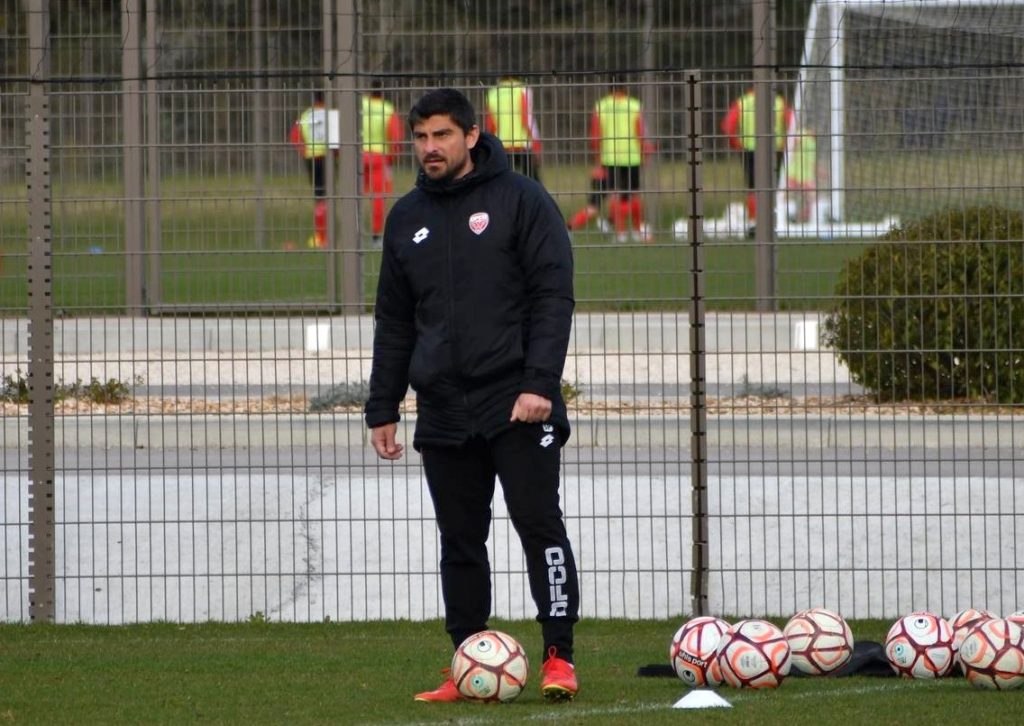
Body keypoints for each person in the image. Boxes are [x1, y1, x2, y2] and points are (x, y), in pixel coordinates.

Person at [365, 87, 580, 704]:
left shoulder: (522, 201)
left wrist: (540, 384)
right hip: (443, 409)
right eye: (421, 138)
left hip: (517, 402)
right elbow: (396, 321)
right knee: (460, 542)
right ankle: (466, 661)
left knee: (540, 527)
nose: (430, 148)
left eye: (442, 136)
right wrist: (383, 405)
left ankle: (559, 656)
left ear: (472, 136)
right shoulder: (406, 217)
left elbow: (552, 298)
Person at [570, 76, 653, 243]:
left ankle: (620, 232)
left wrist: (597, 159)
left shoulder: (602, 106)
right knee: (633, 194)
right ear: (625, 87)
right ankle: (636, 230)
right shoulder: (634, 105)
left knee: (613, 195)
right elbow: (640, 132)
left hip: (609, 157)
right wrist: (645, 151)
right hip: (632, 156)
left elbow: (595, 135)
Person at [720, 88, 795, 231]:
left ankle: (755, 222)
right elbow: (792, 123)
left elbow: (727, 127)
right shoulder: (778, 102)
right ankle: (772, 219)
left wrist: (737, 145)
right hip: (774, 149)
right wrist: (784, 143)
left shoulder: (742, 102)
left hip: (750, 149)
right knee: (772, 185)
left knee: (754, 188)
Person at [289, 90, 335, 248]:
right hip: (327, 157)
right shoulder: (331, 115)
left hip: (311, 157)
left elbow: (295, 137)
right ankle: (327, 235)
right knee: (329, 196)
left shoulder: (306, 115)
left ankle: (320, 235)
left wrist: (305, 151)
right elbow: (336, 143)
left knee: (319, 196)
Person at [361, 81, 405, 245]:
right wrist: (392, 158)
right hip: (379, 156)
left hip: (358, 154)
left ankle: (353, 232)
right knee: (379, 197)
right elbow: (395, 136)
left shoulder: (361, 104)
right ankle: (376, 236)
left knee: (353, 196)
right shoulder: (387, 109)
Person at [483, 75, 542, 182]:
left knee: (502, 180)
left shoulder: (492, 93)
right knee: (533, 180)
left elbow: (490, 123)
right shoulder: (523, 90)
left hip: (502, 144)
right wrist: (536, 143)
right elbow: (527, 119)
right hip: (523, 144)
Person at [784, 126, 817, 223]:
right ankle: (784, 216)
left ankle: (806, 217)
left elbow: (811, 160)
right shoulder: (804, 133)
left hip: (806, 175)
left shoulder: (813, 143)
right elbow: (795, 139)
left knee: (811, 197)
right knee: (786, 195)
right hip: (795, 172)